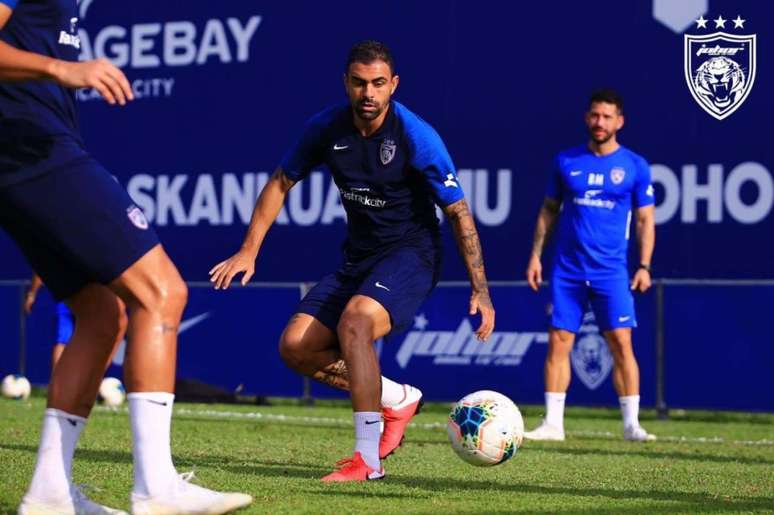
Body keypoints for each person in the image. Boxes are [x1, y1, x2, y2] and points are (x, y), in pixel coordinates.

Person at [0, 1, 252, 513]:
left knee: (100, 313)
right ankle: (156, 488)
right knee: (162, 292)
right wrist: (61, 68)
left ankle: (49, 493)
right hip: (35, 149)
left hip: (23, 156)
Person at [210, 40, 495, 481]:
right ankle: (397, 397)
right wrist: (249, 249)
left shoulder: (416, 136)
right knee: (296, 347)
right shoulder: (326, 128)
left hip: (412, 253)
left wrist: (481, 289)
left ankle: (367, 459)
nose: (368, 93)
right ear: (346, 82)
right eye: (360, 83)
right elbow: (280, 183)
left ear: (393, 85)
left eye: (378, 84)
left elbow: (458, 212)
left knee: (355, 323)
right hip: (359, 258)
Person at [523, 89, 656, 442]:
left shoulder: (634, 166)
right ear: (587, 118)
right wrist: (536, 255)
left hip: (611, 271)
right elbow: (548, 211)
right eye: (595, 115)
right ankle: (553, 424)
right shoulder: (566, 161)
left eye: (607, 116)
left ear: (620, 121)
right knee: (559, 341)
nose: (600, 122)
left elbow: (645, 220)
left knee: (621, 343)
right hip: (567, 270)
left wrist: (644, 265)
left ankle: (632, 425)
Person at [25, 273, 127, 376]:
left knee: (67, 340)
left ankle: (66, 382)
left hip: (71, 291)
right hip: (84, 293)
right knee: (68, 340)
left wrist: (32, 294)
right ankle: (80, 381)